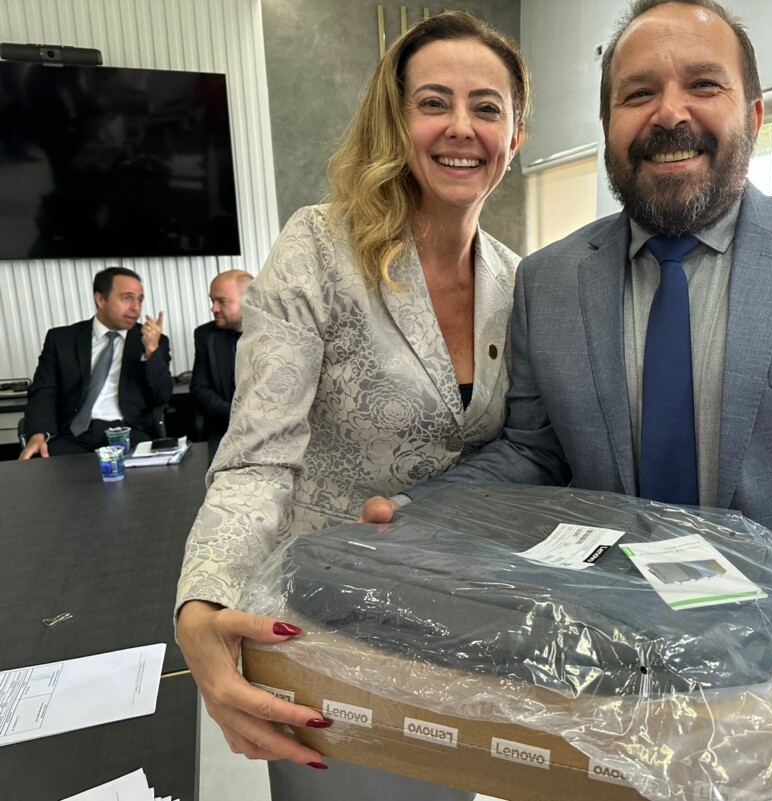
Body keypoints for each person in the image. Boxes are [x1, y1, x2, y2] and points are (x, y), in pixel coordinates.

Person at [361, 2, 772, 798]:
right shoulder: (549, 281)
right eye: (637, 93)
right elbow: (535, 449)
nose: (670, 113)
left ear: (754, 114)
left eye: (704, 84)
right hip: (604, 699)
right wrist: (424, 511)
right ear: (607, 126)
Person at [174, 12, 528, 801]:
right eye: (433, 102)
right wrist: (203, 597)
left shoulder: (520, 280)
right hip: (325, 630)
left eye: (487, 107)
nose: (461, 127)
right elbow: (259, 457)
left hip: (459, 635)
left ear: (515, 135)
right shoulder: (318, 248)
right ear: (395, 121)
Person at [19, 266, 171, 459]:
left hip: (129, 432)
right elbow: (43, 391)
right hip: (73, 435)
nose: (136, 308)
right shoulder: (62, 339)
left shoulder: (152, 341)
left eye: (140, 299)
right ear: (101, 299)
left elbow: (161, 397)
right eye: (126, 298)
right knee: (51, 470)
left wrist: (151, 351)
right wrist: (38, 435)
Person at [190, 269, 253, 441]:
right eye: (212, 301)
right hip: (224, 427)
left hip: (270, 429)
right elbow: (200, 389)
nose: (214, 308)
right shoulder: (205, 335)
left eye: (221, 301)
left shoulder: (277, 335)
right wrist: (236, 417)